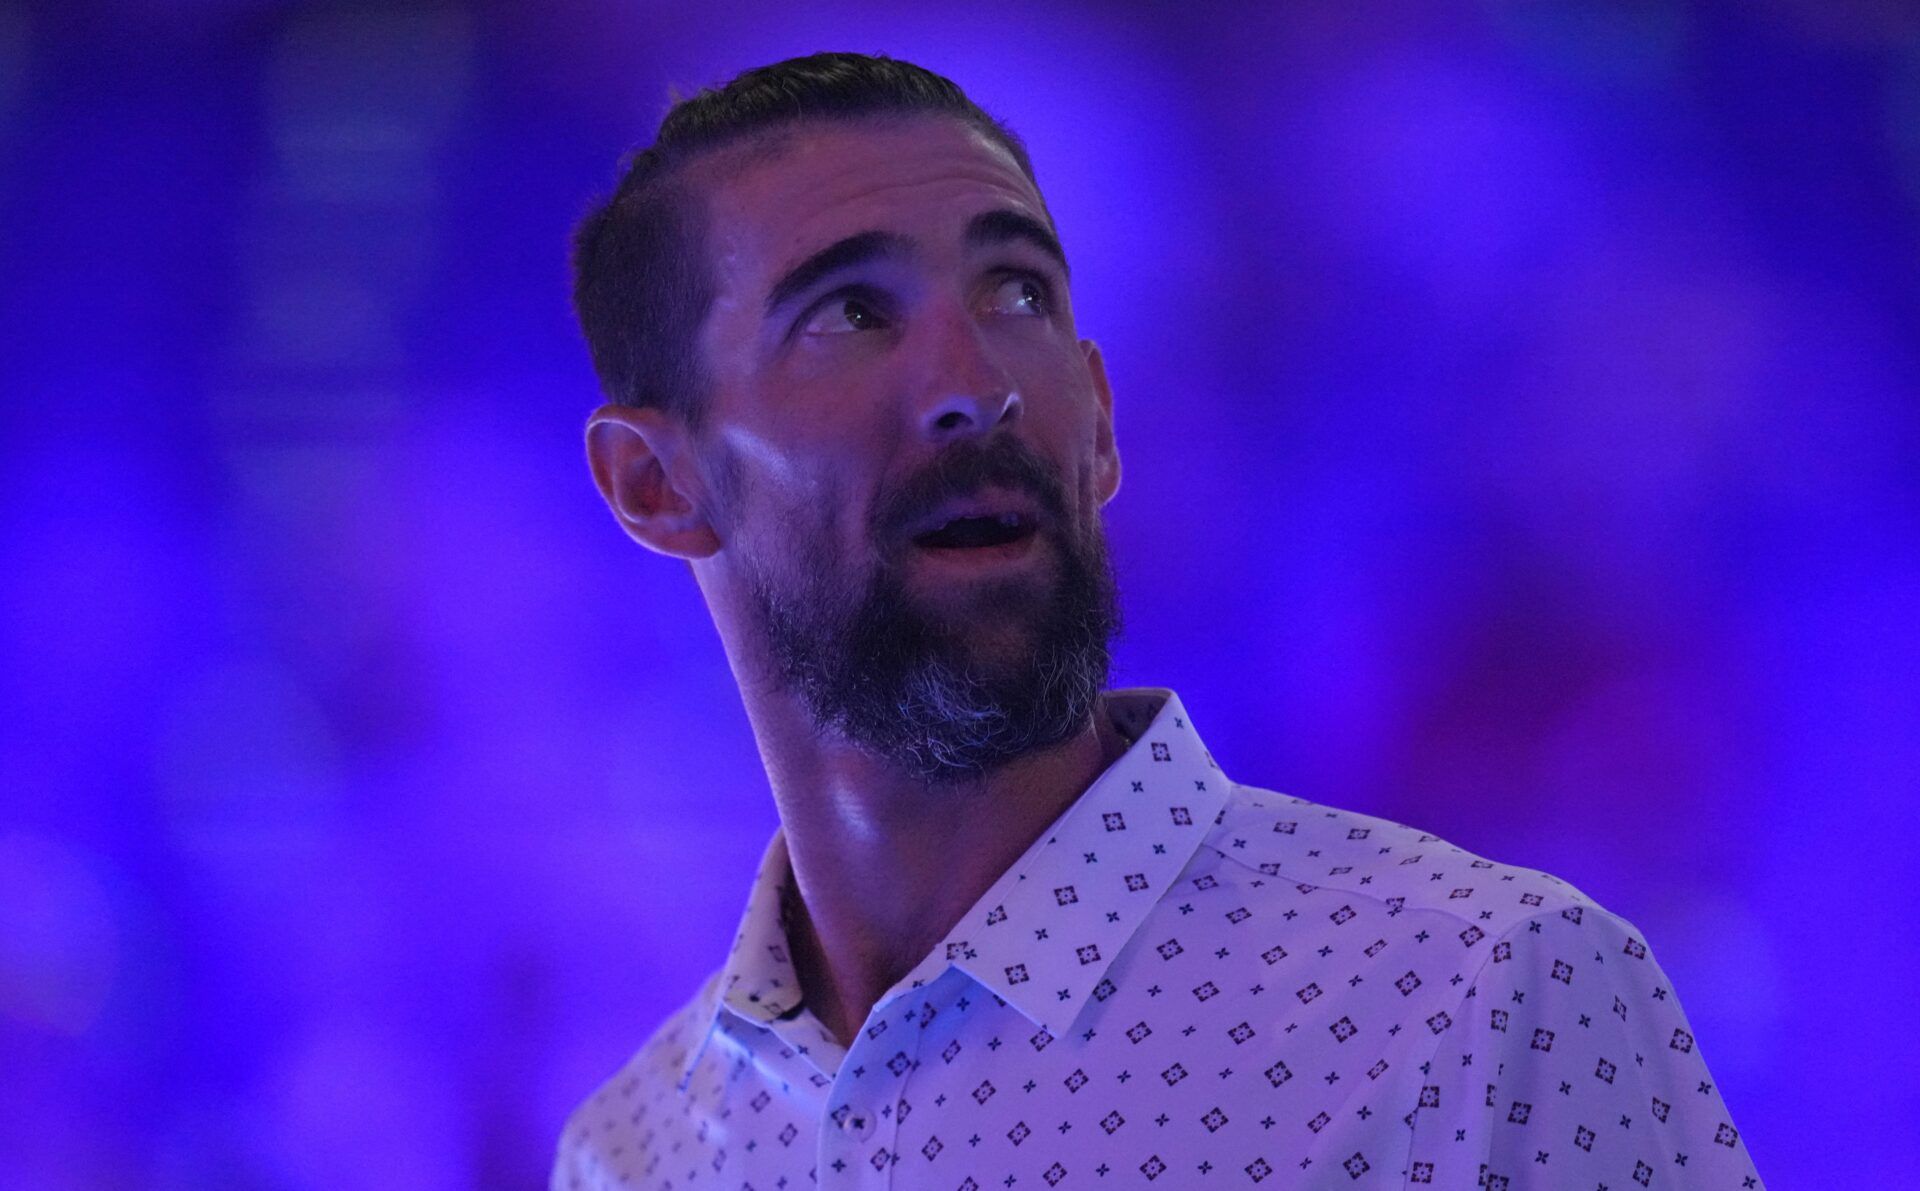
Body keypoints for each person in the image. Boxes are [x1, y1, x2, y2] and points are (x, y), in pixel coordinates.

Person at [553, 51, 1762, 1191]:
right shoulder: (635, 1152)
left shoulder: (1493, 1000)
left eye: (1017, 292)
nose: (976, 386)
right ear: (655, 484)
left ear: (1101, 419)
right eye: (852, 314)